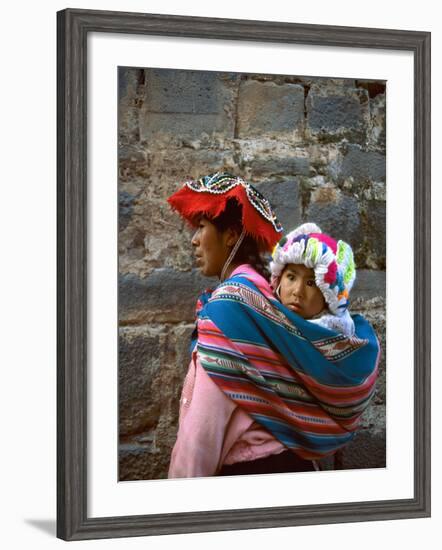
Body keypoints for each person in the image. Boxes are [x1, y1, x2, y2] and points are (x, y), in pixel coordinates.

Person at [167, 172, 380, 479]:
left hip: (250, 479)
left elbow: (202, 431)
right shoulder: (266, 299)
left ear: (230, 235)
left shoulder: (231, 308)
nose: (194, 239)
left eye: (202, 226)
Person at [269, 222, 357, 337]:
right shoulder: (261, 320)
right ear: (279, 278)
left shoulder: (342, 337)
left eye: (311, 283)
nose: (297, 292)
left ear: (329, 298)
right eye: (291, 277)